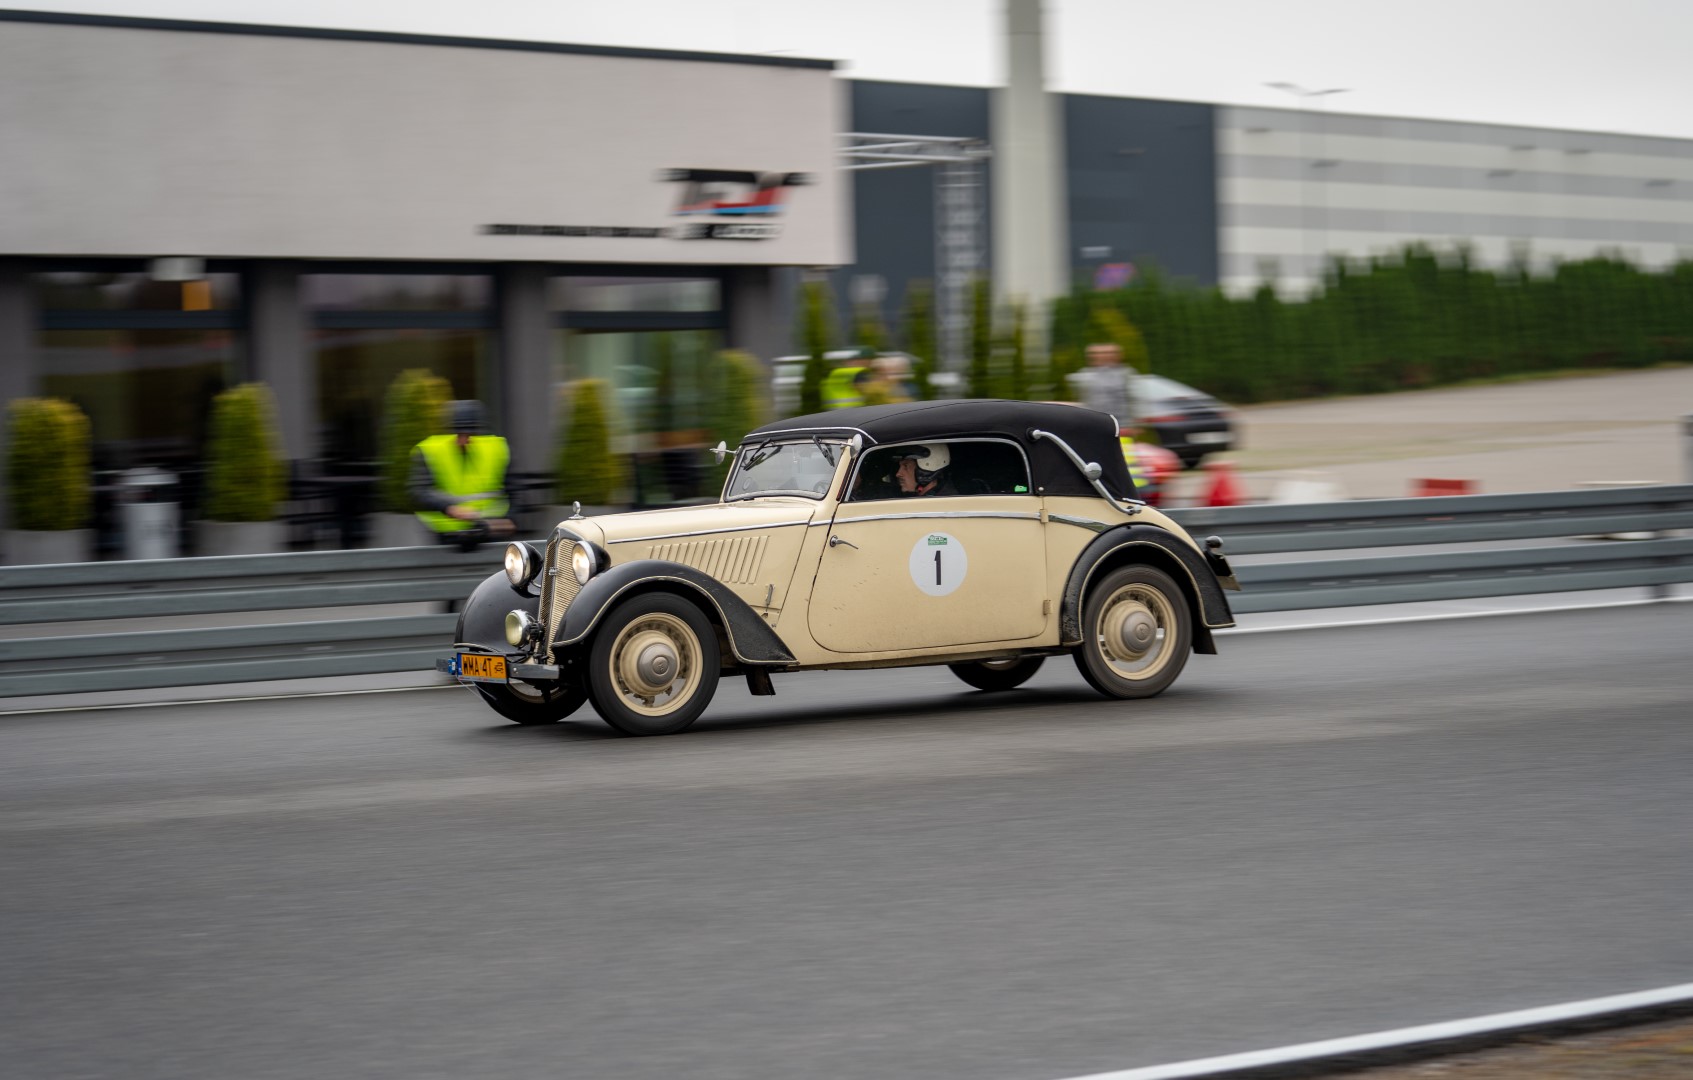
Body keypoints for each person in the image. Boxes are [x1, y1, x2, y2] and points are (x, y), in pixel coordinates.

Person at [409, 399, 516, 551]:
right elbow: (418, 492)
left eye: (470, 434)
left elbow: (514, 490)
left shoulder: (498, 449)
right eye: (459, 434)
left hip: (491, 534)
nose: (464, 440)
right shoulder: (430, 451)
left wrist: (511, 519)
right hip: (447, 538)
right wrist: (449, 508)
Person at [1067, 342, 1137, 428]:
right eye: (1095, 354)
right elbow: (1081, 401)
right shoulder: (1084, 375)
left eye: (1107, 353)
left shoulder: (1126, 374)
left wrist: (1134, 424)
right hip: (1092, 424)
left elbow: (1135, 400)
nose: (1100, 356)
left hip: (1121, 425)